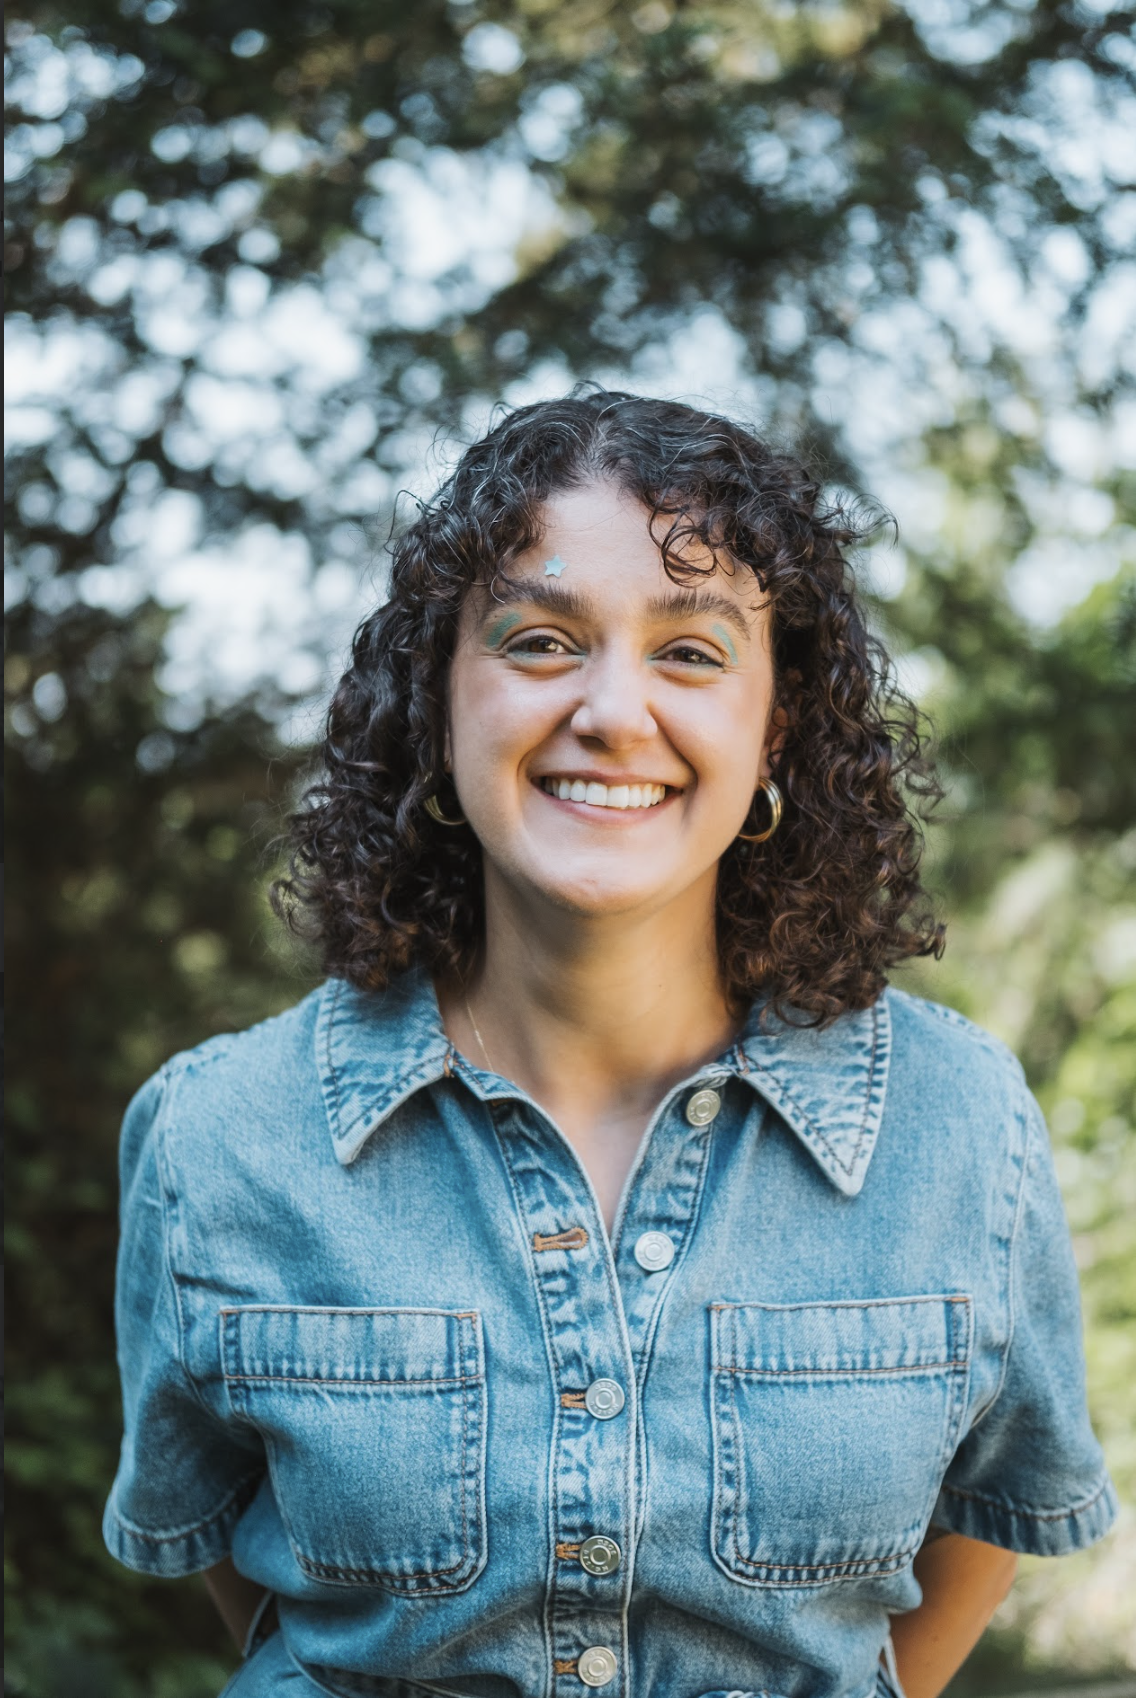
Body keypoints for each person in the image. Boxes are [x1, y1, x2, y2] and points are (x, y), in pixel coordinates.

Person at [104, 392, 1116, 1698]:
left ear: (776, 729)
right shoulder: (219, 1132)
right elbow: (236, 1566)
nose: (612, 710)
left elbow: (998, 1508)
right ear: (438, 700)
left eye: (692, 653)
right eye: (539, 639)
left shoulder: (959, 1117)